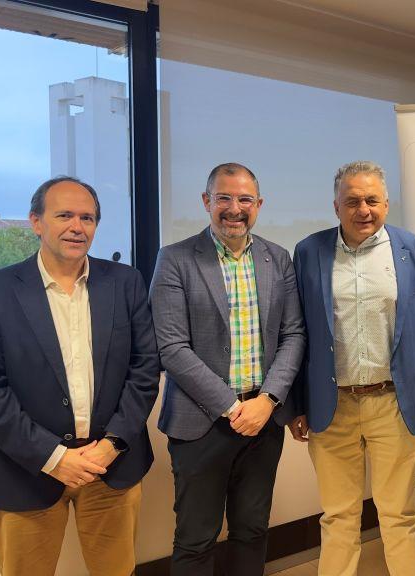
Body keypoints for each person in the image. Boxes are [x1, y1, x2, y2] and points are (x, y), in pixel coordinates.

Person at [0, 176, 160, 575]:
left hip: (111, 467)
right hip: (25, 472)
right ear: (36, 222)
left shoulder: (125, 283)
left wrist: (112, 445)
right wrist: (54, 458)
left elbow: (144, 369)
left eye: (87, 218)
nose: (77, 226)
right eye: (64, 215)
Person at [150, 162, 305, 575]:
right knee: (196, 539)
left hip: (264, 422)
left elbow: (293, 334)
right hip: (201, 424)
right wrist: (233, 408)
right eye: (224, 198)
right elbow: (171, 347)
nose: (235, 209)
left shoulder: (278, 258)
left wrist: (268, 400)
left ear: (259, 205)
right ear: (206, 201)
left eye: (245, 200)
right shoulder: (175, 259)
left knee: (252, 531)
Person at [290, 160, 415, 576]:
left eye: (372, 200)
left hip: (393, 403)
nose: (363, 210)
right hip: (331, 406)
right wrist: (296, 404)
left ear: (387, 204)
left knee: (398, 515)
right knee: (338, 517)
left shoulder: (413, 251)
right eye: (352, 201)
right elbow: (297, 333)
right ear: (335, 206)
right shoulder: (309, 252)